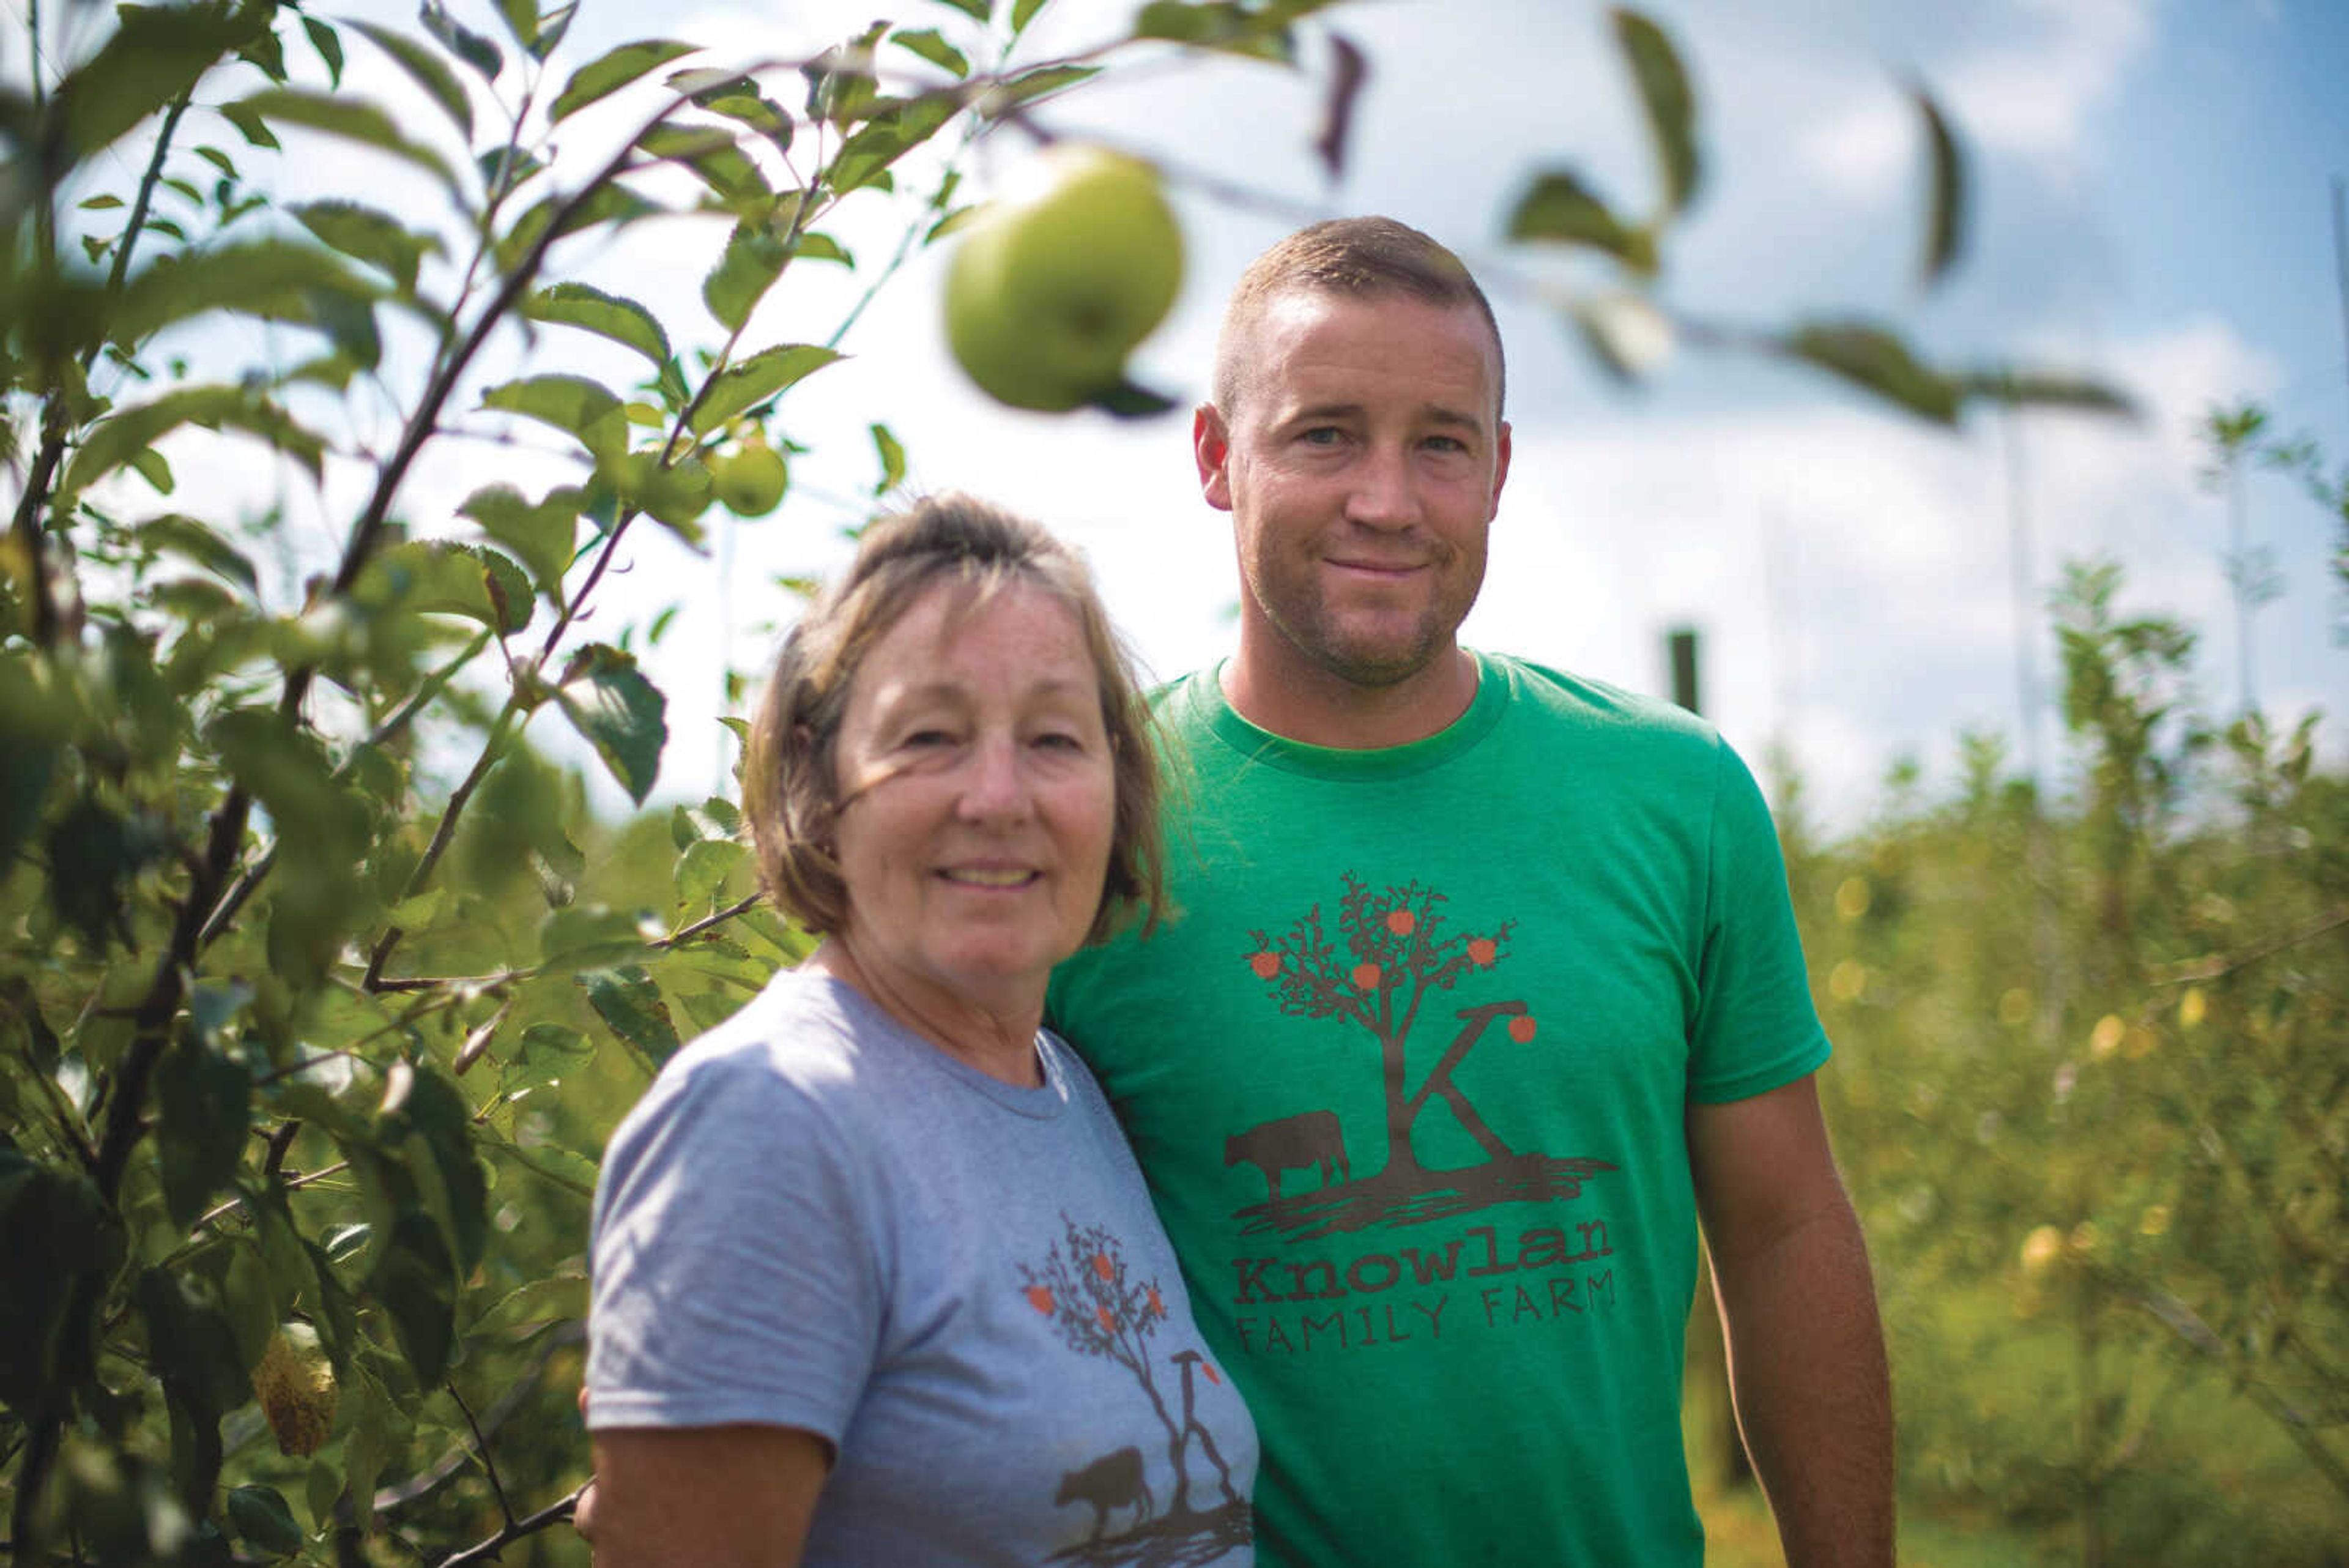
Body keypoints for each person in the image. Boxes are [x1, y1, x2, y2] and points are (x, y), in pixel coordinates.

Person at [1047, 219, 1894, 1567]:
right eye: (1325, 434)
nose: (1389, 498)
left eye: (1440, 442)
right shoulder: (1094, 827)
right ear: (1217, 457)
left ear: (1499, 469)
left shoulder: (1675, 797)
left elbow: (1785, 1226)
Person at [584, 497, 1258, 1566]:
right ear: (816, 778)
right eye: (929, 737)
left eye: (1052, 738)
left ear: (1117, 785)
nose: (998, 796)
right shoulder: (768, 1122)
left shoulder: (1068, 1093)